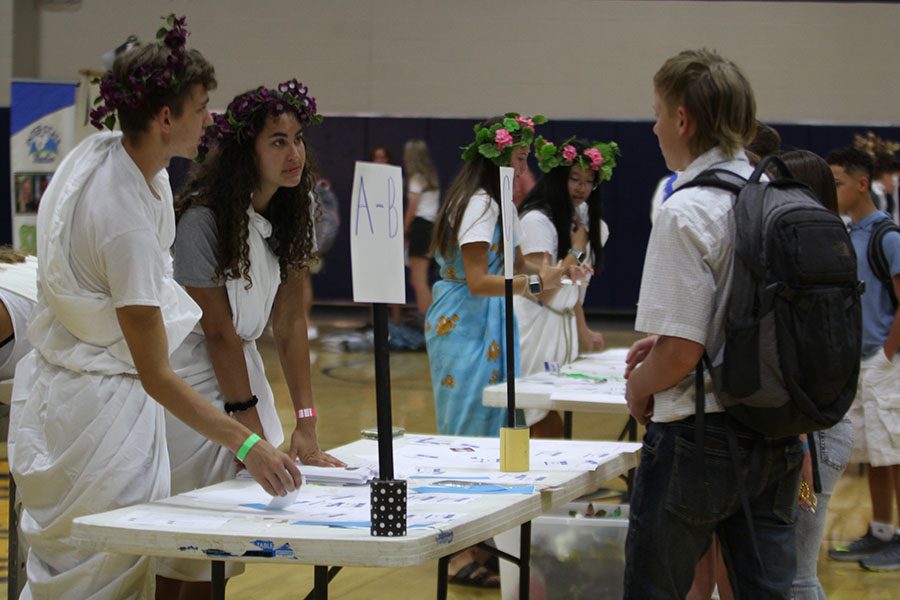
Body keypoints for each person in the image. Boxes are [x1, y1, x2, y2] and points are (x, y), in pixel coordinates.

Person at [7, 16, 301, 600]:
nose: (210, 118)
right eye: (201, 107)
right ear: (166, 118)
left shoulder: (114, 159)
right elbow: (156, 374)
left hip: (76, 394)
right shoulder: (125, 222)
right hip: (99, 414)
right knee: (105, 577)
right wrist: (248, 441)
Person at [623, 49, 803, 598]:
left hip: (700, 435)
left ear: (682, 119)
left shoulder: (686, 209)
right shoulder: (778, 195)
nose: (654, 127)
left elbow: (681, 353)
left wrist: (638, 386)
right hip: (778, 431)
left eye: (657, 113)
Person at [156, 80, 345, 596]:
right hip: (192, 383)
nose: (294, 153)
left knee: (222, 551)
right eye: (278, 141)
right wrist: (249, 436)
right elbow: (217, 333)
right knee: (187, 547)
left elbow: (288, 324)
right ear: (247, 152)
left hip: (241, 378)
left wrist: (306, 423)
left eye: (298, 139)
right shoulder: (202, 221)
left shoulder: (294, 210)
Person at [766, 149, 853, 599]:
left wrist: (801, 446)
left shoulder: (814, 265)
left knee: (798, 576)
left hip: (813, 438)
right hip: (820, 431)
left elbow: (810, 363)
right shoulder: (830, 250)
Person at [826, 146, 900, 572]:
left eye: (837, 183)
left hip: (883, 364)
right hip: (858, 362)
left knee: (894, 451)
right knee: (873, 452)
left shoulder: (886, 236)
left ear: (860, 184)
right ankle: (883, 531)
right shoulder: (848, 233)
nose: (832, 191)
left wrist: (887, 355)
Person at [514, 136, 618, 437]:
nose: (581, 187)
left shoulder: (586, 223)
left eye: (589, 181)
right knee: (538, 416)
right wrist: (577, 250)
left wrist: (582, 329)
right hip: (534, 326)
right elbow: (542, 291)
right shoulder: (537, 220)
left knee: (551, 410)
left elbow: (574, 292)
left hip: (562, 326)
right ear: (559, 176)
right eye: (574, 178)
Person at [402, 139, 440, 321]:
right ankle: (431, 321)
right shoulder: (430, 177)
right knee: (421, 280)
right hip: (430, 227)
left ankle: (430, 323)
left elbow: (413, 206)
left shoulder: (416, 178)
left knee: (418, 280)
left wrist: (402, 229)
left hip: (420, 227)